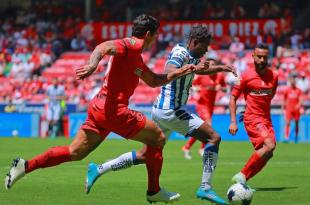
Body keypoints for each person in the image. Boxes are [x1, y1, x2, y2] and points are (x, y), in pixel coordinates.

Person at [4, 14, 207, 203]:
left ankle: (25, 165)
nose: (155, 40)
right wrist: (92, 65)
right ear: (148, 34)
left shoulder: (135, 57)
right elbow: (104, 46)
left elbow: (154, 80)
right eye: (155, 35)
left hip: (99, 107)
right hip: (113, 110)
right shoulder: (132, 45)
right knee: (158, 138)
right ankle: (154, 191)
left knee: (75, 152)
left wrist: (181, 71)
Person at [86, 25, 237, 205]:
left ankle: (99, 169)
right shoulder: (180, 53)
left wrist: (221, 68)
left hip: (162, 110)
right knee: (213, 138)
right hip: (171, 110)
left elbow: (198, 69)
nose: (205, 51)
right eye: (203, 47)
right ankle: (206, 187)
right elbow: (168, 72)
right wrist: (194, 68)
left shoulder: (191, 55)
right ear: (194, 42)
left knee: (145, 155)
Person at [229, 43, 278, 184]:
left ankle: (243, 181)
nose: (262, 60)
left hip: (266, 120)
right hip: (252, 119)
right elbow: (233, 98)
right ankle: (242, 174)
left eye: (265, 57)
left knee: (268, 153)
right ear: (253, 57)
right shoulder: (245, 77)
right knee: (269, 145)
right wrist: (233, 121)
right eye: (259, 57)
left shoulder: (274, 77)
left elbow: (270, 96)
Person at [182, 58, 227, 159]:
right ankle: (202, 148)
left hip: (211, 106)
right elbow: (191, 85)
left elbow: (225, 89)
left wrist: (221, 88)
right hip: (202, 105)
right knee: (208, 125)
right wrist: (195, 89)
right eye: (210, 65)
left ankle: (187, 147)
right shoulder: (202, 75)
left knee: (202, 128)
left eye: (213, 65)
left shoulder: (219, 76)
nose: (211, 67)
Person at [283, 75, 303, 143]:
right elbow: (284, 99)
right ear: (290, 82)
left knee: (296, 123)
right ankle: (286, 138)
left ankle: (296, 137)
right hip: (289, 109)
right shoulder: (287, 90)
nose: (293, 82)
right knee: (287, 123)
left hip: (296, 109)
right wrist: (283, 108)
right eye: (291, 80)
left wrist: (299, 105)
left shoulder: (299, 90)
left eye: (293, 81)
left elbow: (301, 99)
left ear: (295, 82)